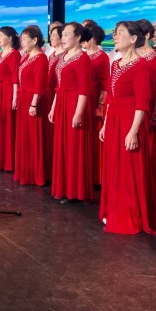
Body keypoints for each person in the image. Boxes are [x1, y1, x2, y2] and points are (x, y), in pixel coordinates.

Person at [99, 21, 156, 234]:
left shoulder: (141, 65)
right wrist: (105, 124)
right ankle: (114, 208)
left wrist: (133, 131)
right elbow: (111, 98)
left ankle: (130, 213)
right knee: (114, 165)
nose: (115, 36)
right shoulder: (116, 64)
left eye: (120, 33)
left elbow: (143, 102)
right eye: (114, 33)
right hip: (115, 118)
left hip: (131, 120)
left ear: (133, 39)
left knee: (129, 167)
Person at [48, 22, 93, 203]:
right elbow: (59, 87)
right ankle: (63, 187)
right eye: (63, 34)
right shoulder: (63, 57)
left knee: (74, 147)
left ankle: (75, 191)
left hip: (75, 104)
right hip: (62, 103)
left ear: (78, 37)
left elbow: (84, 88)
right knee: (62, 146)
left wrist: (78, 113)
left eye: (67, 34)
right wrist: (53, 107)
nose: (63, 37)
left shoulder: (83, 58)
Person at [136, 19, 156, 210]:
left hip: (148, 111)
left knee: (148, 155)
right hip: (130, 110)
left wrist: (155, 113)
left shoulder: (154, 58)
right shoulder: (131, 55)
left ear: (146, 35)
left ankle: (149, 198)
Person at [14, 26, 48, 186]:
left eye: (24, 39)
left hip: (33, 100)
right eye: (21, 39)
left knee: (33, 137)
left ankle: (35, 174)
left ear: (34, 40)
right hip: (23, 98)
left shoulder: (41, 58)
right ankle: (25, 171)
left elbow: (40, 84)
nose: (22, 42)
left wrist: (33, 104)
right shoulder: (25, 57)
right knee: (24, 136)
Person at [0, 27, 21, 171]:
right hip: (0, 91)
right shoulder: (0, 55)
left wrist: (14, 97)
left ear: (10, 38)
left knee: (9, 125)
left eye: (1, 36)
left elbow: (15, 77)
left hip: (8, 91)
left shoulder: (14, 54)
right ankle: (1, 159)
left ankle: (10, 162)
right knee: (0, 125)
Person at [81, 22, 109, 186]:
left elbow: (105, 84)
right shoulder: (84, 55)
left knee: (94, 138)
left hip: (94, 100)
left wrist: (100, 105)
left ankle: (96, 177)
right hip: (83, 99)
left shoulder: (102, 56)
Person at [43, 25, 65, 181]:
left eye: (54, 35)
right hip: (49, 94)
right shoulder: (52, 55)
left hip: (57, 96)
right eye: (50, 35)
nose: (51, 38)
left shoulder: (64, 55)